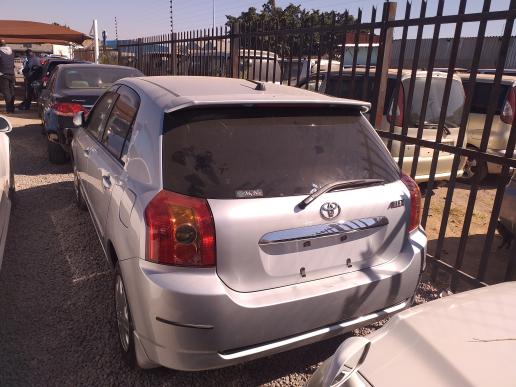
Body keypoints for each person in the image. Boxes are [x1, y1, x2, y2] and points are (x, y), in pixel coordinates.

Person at [0, 39, 15, 113]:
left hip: (3, 74)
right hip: (12, 74)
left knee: (6, 92)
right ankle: (12, 108)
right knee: (12, 91)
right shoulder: (11, 52)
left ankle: (9, 109)